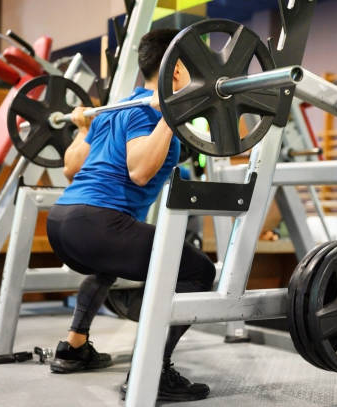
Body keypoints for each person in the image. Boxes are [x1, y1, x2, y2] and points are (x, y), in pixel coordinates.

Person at [45, 28, 215, 402]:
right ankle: (152, 369)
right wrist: (170, 114)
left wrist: (84, 128)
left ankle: (73, 348)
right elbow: (139, 170)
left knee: (111, 263)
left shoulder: (120, 106)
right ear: (176, 70)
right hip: (97, 222)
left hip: (62, 222)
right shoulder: (147, 109)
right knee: (199, 271)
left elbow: (72, 168)